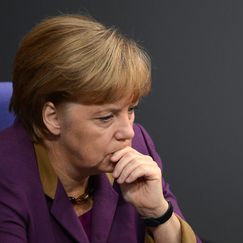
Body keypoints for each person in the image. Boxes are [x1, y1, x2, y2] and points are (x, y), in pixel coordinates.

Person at [0, 14, 200, 243]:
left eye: (131, 109)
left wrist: (157, 213)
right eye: (106, 117)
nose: (128, 132)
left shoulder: (138, 147)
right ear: (52, 117)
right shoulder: (6, 175)